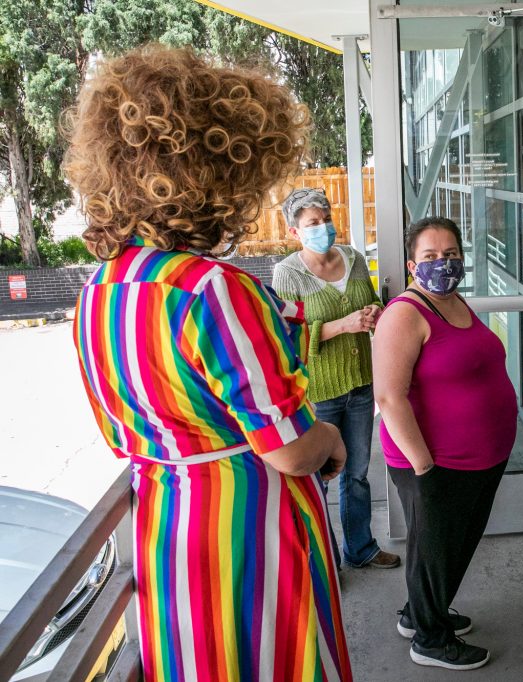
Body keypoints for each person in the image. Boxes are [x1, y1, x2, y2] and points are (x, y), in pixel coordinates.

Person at [66, 46, 353, 681]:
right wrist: (329, 437)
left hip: (162, 524)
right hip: (246, 527)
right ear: (220, 173)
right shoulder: (212, 289)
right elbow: (289, 449)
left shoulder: (98, 292)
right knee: (276, 658)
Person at [372, 216, 518, 671]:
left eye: (451, 254)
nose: (443, 264)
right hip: (436, 461)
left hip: (477, 457)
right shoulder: (404, 314)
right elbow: (388, 396)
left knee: (450, 545)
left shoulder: (454, 302)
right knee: (435, 550)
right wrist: (422, 465)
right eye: (431, 257)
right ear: (412, 264)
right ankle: (431, 640)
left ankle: (421, 614)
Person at [272, 187, 401, 572]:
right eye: (313, 223)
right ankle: (321, 561)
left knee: (358, 474)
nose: (323, 228)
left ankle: (360, 548)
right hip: (320, 393)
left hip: (361, 384)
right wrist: (342, 325)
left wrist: (375, 313)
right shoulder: (287, 273)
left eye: (326, 220)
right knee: (320, 479)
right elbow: (285, 337)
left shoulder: (354, 259)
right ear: (295, 233)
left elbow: (373, 301)